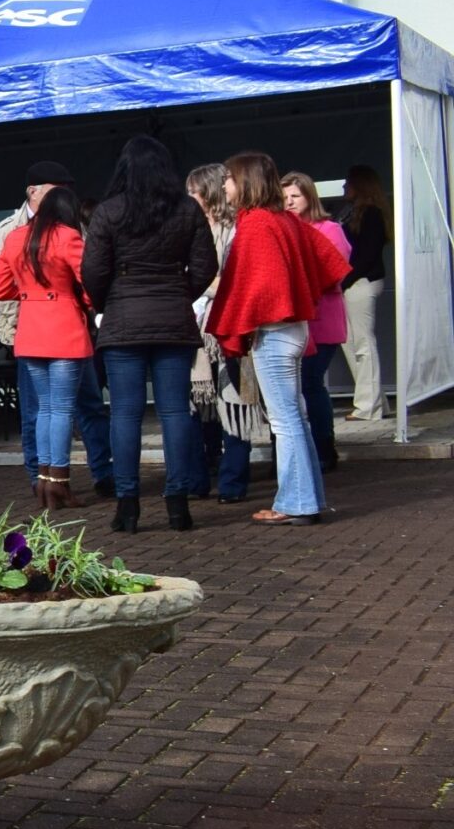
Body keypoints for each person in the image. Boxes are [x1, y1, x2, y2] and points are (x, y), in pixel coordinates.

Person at [206, 151, 349, 526]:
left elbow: (256, 286)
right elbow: (328, 263)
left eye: (230, 179)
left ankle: (297, 503)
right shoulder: (284, 220)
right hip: (294, 329)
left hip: (274, 331)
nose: (225, 185)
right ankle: (307, 500)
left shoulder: (255, 223)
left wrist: (243, 325)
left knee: (286, 421)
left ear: (246, 182)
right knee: (295, 418)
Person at [83, 136, 215, 532]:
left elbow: (92, 272)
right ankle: (178, 503)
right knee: (175, 411)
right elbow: (206, 267)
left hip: (123, 320)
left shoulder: (109, 211)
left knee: (124, 413)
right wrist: (179, 294)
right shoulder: (187, 209)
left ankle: (127, 506)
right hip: (174, 319)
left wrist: (111, 300)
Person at [0, 161, 112, 498]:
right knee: (64, 410)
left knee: (43, 410)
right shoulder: (69, 236)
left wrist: (29, 293)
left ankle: (43, 482)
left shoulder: (13, 237)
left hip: (30, 331)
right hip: (65, 329)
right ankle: (60, 481)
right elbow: (89, 284)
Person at [186, 162, 261, 503]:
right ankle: (198, 478)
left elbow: (237, 281)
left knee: (238, 403)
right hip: (198, 334)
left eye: (193, 191)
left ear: (210, 191)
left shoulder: (240, 229)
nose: (189, 198)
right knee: (198, 407)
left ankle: (233, 482)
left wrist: (204, 285)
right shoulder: (188, 228)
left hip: (235, 330)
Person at [280, 173, 349, 470]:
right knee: (295, 386)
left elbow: (336, 273)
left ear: (309, 196)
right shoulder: (284, 229)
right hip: (294, 319)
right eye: (284, 197)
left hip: (322, 319)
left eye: (295, 196)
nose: (289, 202)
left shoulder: (329, 229)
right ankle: (304, 449)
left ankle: (324, 448)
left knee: (310, 380)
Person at [338, 164, 391, 421]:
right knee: (350, 341)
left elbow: (368, 254)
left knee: (362, 342)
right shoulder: (350, 212)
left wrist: (346, 279)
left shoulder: (371, 214)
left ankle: (368, 406)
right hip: (351, 282)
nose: (344, 187)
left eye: (349, 182)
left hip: (361, 281)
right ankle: (375, 400)